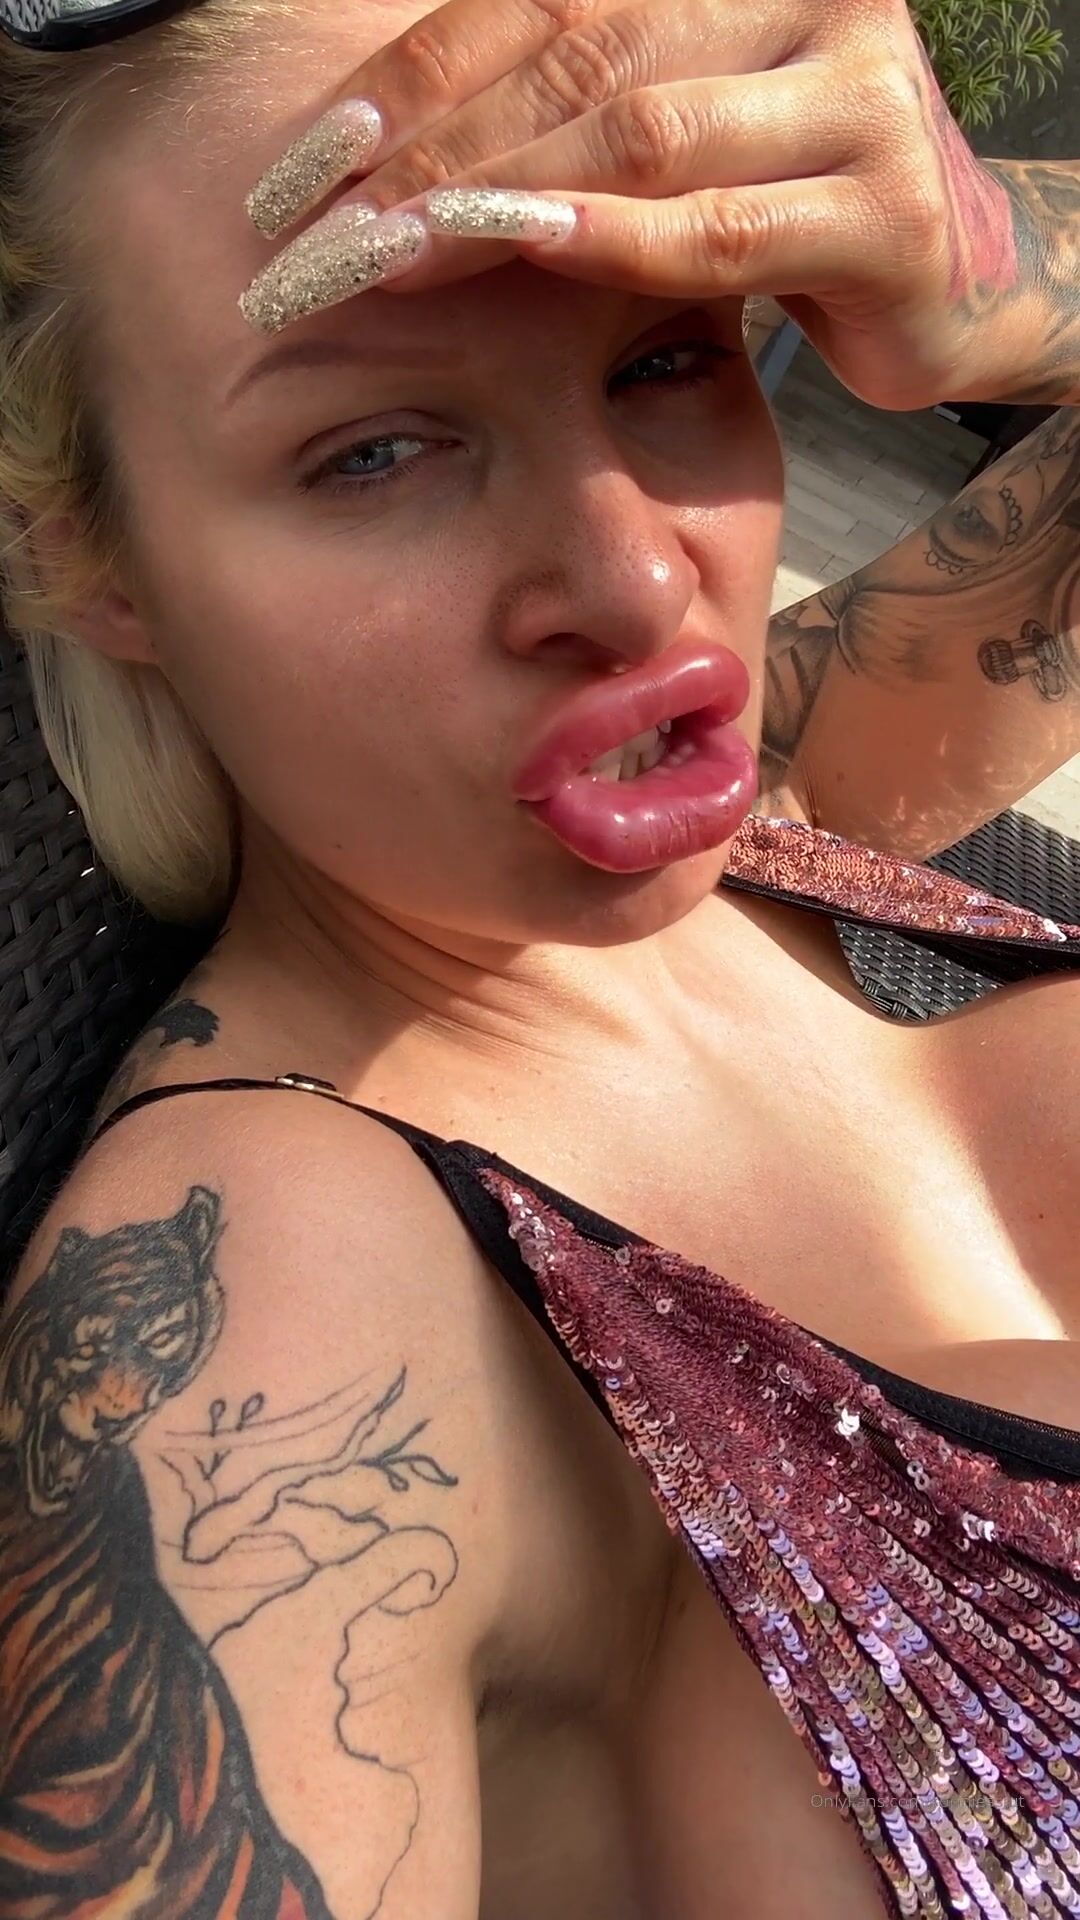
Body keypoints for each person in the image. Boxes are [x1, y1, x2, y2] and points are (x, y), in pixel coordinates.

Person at [0, 4, 1077, 1918]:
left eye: (664, 356)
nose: (640, 583)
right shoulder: (278, 1291)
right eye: (372, 450)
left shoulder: (786, 806)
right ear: (87, 549)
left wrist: (981, 257)